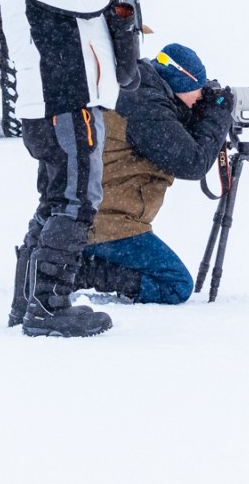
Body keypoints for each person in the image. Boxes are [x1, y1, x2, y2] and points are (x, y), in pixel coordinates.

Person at [0, 0, 141, 338]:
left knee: (55, 200)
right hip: (62, 101)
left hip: (53, 102)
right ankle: (49, 306)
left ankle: (27, 300)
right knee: (74, 202)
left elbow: (85, 5)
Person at [65, 43, 235, 304]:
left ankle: (64, 258)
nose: (199, 99)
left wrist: (206, 114)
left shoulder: (142, 89)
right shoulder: (147, 107)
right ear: (180, 84)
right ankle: (74, 272)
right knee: (176, 285)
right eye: (198, 92)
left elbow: (175, 131)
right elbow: (193, 162)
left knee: (167, 277)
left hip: (95, 215)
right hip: (109, 223)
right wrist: (218, 117)